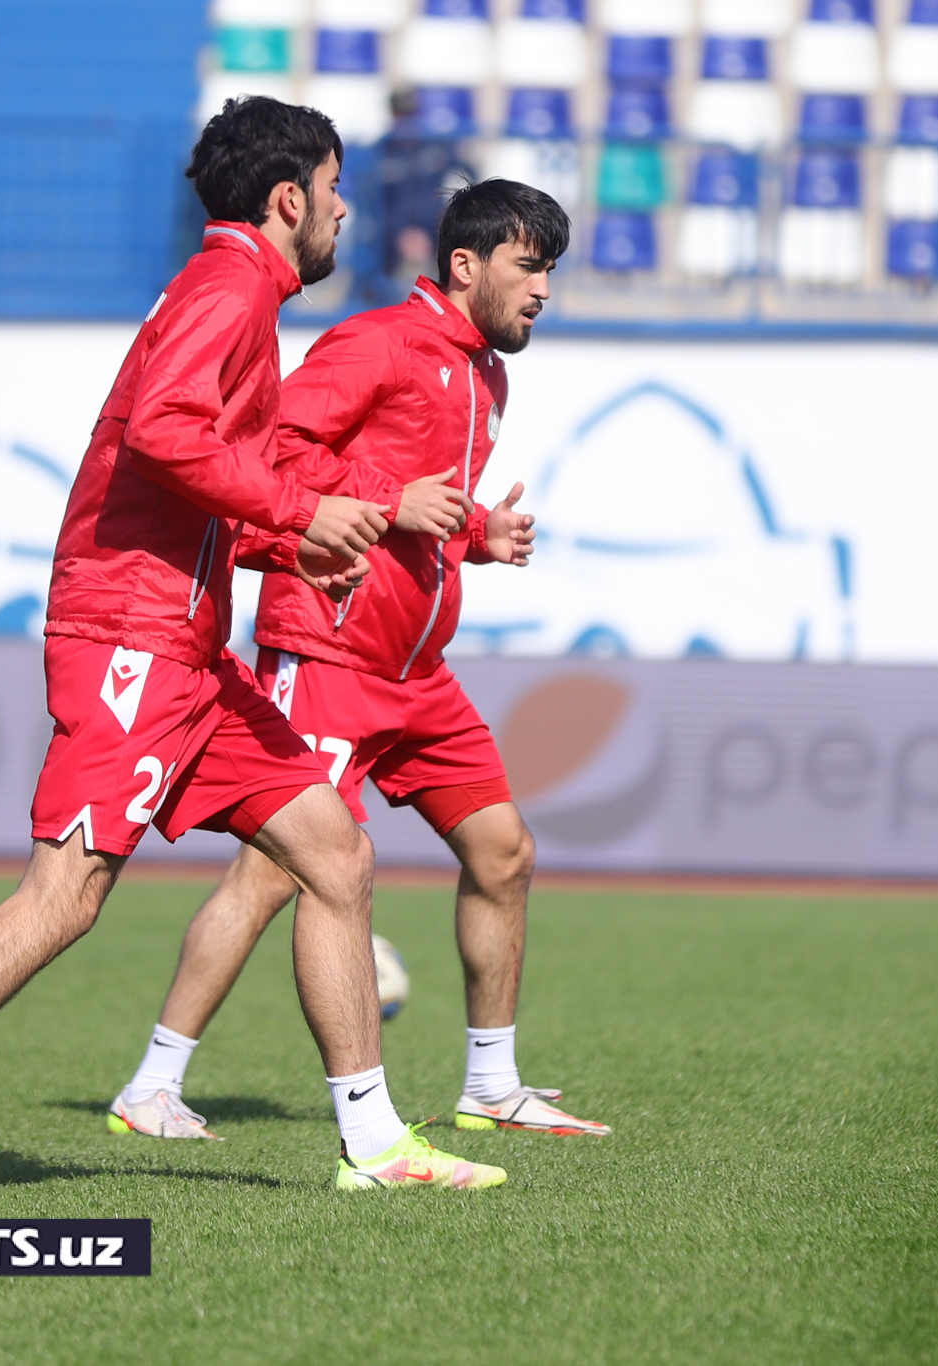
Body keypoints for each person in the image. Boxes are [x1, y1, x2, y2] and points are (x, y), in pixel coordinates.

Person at [0, 97, 506, 1199]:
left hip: (188, 647)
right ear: (287, 198)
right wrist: (301, 513)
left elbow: (204, 479)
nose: (343, 210)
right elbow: (165, 433)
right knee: (62, 897)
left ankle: (376, 1146)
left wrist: (285, 540)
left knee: (334, 853)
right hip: (131, 638)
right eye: (334, 187)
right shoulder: (228, 289)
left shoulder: (238, 293)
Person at [106, 178, 612, 1144]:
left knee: (503, 853)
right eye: (529, 265)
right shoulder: (376, 342)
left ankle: (491, 1086)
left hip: (418, 669)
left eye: (551, 268)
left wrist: (475, 536)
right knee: (275, 874)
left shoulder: (486, 377)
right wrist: (397, 493)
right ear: (465, 265)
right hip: (326, 650)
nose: (544, 287)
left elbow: (420, 515)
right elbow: (273, 453)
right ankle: (152, 1083)